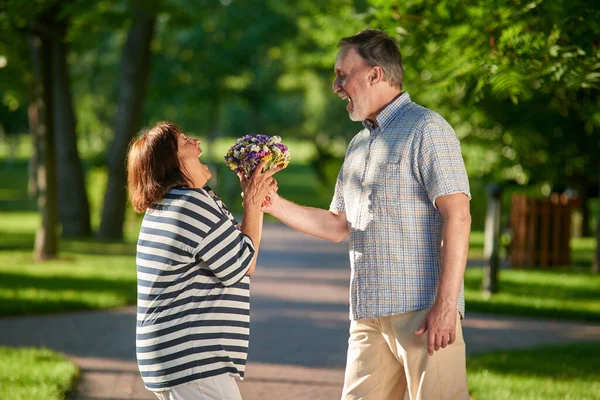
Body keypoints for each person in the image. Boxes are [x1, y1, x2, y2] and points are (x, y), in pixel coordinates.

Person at [265, 29, 471, 399]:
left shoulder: (427, 128)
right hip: (367, 314)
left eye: (343, 74)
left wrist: (445, 307)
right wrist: (271, 203)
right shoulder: (359, 145)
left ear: (375, 74)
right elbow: (337, 225)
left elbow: (458, 216)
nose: (335, 86)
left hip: (423, 313)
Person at [127, 121, 279, 400]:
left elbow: (239, 255)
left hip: (176, 358)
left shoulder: (172, 203)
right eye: (185, 142)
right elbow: (242, 265)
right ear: (172, 163)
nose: (196, 143)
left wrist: (252, 201)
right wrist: (253, 202)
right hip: (192, 359)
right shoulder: (190, 203)